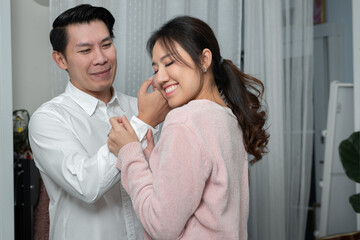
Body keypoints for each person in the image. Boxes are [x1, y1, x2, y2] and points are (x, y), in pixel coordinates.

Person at [107, 16, 269, 240]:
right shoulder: (227, 118)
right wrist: (156, 159)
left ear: (204, 60)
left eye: (170, 62)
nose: (160, 78)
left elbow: (160, 226)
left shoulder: (185, 120)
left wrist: (129, 153)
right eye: (155, 69)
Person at [28, 4, 169, 240]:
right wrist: (144, 122)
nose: (101, 58)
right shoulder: (48, 119)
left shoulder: (139, 107)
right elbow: (86, 185)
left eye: (106, 45)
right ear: (60, 60)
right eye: (85, 50)